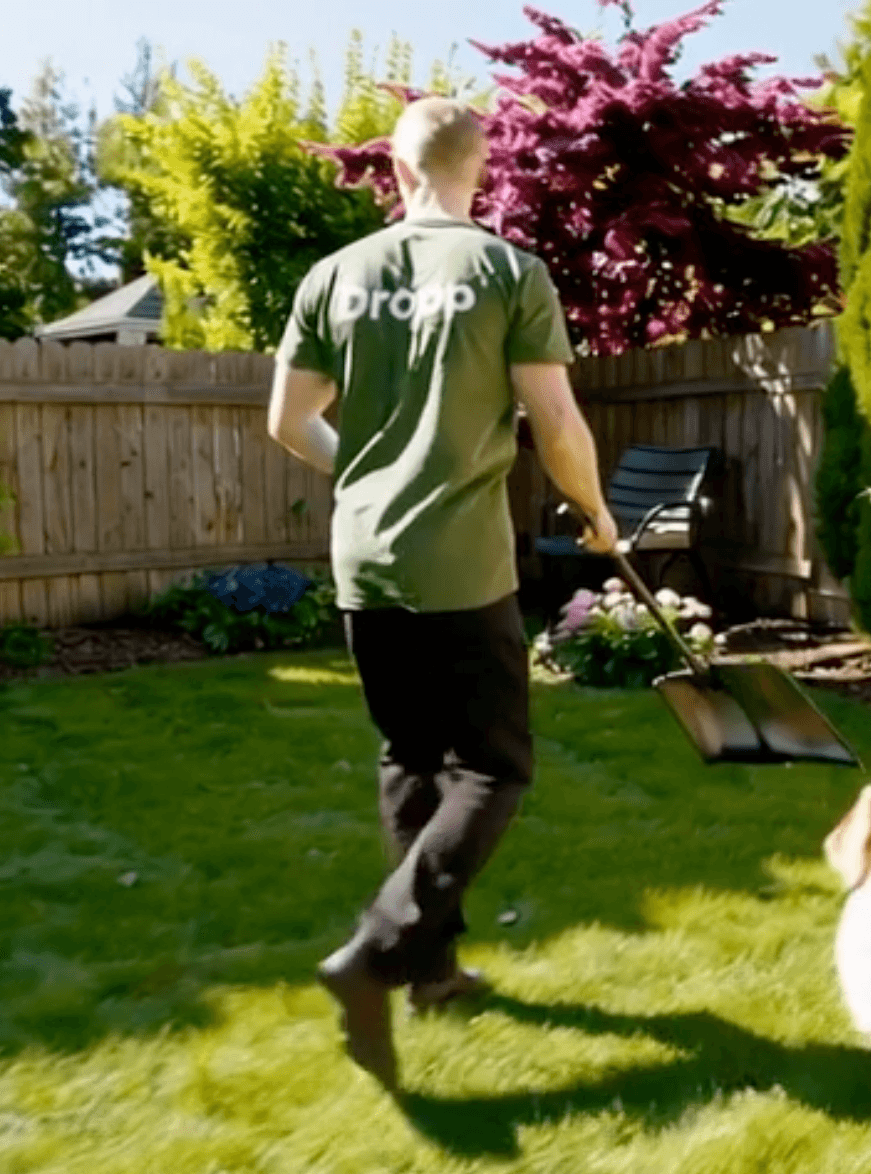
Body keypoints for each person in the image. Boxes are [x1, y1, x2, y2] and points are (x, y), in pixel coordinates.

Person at [267, 96, 619, 1089]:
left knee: (411, 757)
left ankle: (431, 973)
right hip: (461, 564)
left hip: (365, 560)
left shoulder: (335, 275)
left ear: (396, 168)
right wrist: (595, 511)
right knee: (495, 767)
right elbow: (555, 420)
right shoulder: (509, 272)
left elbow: (288, 420)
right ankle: (380, 950)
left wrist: (366, 475)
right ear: (482, 168)